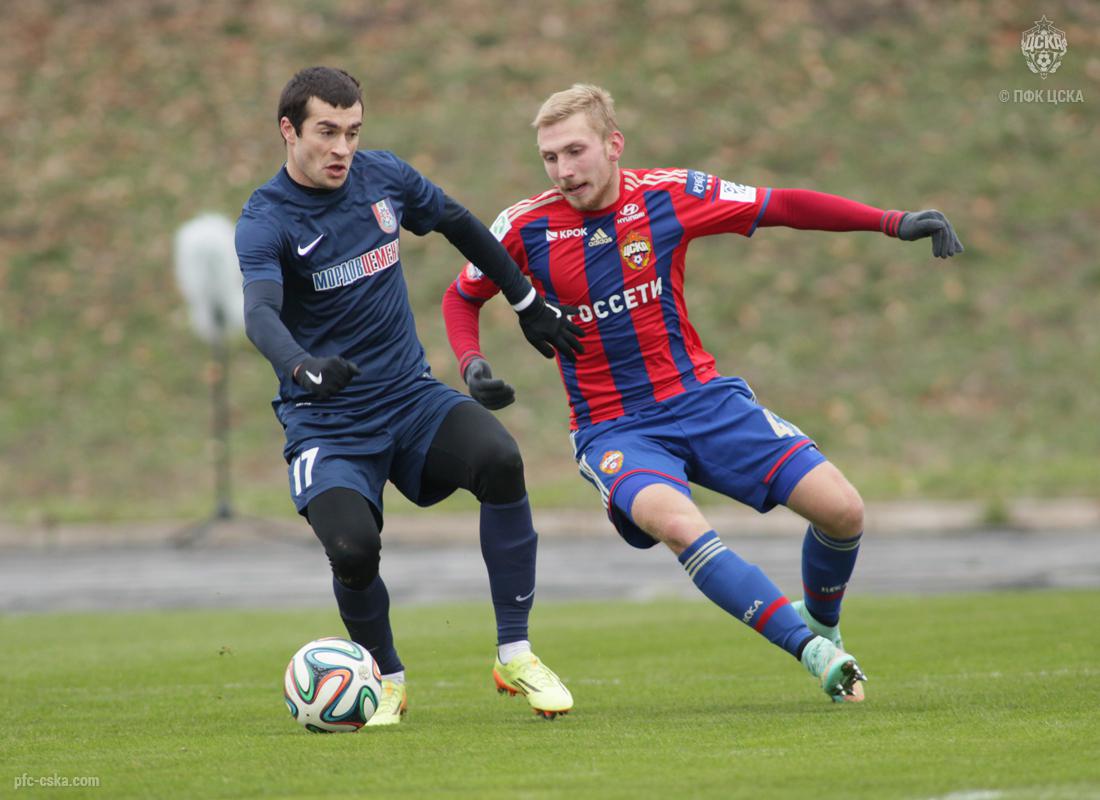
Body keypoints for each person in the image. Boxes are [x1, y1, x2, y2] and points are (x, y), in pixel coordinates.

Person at [443, 84, 964, 703]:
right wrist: (472, 363)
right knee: (679, 525)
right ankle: (813, 650)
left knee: (843, 510)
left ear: (614, 145)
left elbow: (780, 204)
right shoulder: (524, 225)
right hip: (613, 427)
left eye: (575, 151)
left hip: (703, 400)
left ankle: (823, 622)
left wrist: (891, 221)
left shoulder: (669, 194)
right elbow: (461, 296)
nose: (562, 170)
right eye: (549, 157)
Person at [236, 67, 586, 725]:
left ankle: (516, 653)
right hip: (327, 423)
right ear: (289, 130)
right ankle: (386, 679)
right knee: (352, 550)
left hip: (409, 399)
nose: (342, 148)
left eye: (353, 132)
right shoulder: (266, 219)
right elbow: (259, 313)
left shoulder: (384, 178)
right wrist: (301, 367)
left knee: (500, 459)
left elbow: (461, 224)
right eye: (326, 132)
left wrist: (527, 301)